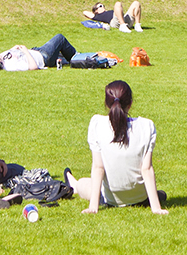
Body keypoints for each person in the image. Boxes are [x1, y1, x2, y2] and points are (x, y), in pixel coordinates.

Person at [66, 78, 166, 212]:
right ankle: (74, 183)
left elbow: (98, 167)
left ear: (107, 104)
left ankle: (74, 184)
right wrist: (156, 209)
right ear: (130, 104)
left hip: (111, 199)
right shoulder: (147, 126)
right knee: (162, 194)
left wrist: (93, 207)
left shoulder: (97, 124)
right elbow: (146, 169)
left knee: (83, 184)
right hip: (140, 198)